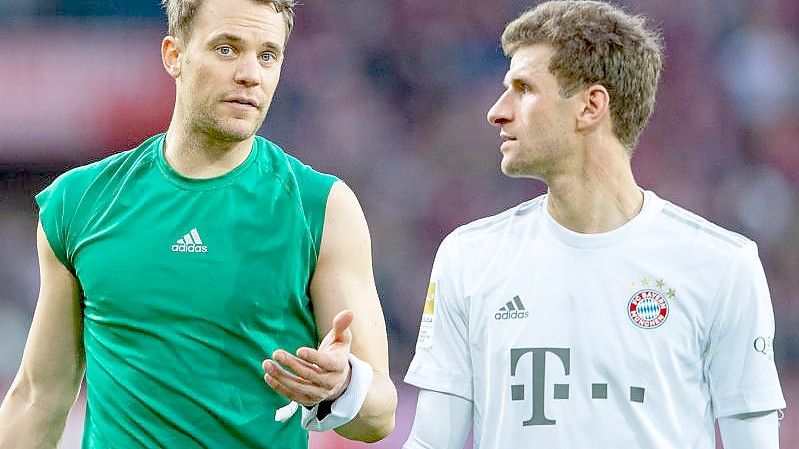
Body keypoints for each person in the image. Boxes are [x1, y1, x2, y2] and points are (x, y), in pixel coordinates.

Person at [0, 0, 397, 447]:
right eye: (227, 49)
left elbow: (378, 415)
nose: (251, 73)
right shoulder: (80, 202)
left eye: (268, 55)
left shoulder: (322, 207)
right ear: (175, 55)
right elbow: (39, 396)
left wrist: (343, 387)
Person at [403, 1, 785, 448]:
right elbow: (432, 442)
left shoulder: (721, 266)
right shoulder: (468, 257)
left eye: (523, 88)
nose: (497, 111)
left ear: (591, 106)